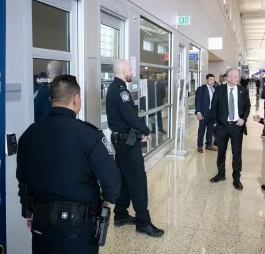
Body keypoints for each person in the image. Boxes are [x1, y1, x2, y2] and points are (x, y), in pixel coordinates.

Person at [16, 74, 121, 254]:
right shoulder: (90, 136)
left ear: (51, 100)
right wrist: (106, 202)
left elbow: (23, 179)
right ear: (76, 99)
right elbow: (112, 182)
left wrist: (30, 210)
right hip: (78, 229)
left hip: (42, 225)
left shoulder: (30, 133)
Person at [106, 59, 164, 237]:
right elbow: (130, 115)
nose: (132, 71)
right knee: (138, 180)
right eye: (130, 68)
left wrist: (138, 132)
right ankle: (143, 222)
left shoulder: (114, 87)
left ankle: (121, 214)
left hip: (123, 140)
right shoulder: (121, 90)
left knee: (124, 177)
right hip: (126, 143)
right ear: (123, 70)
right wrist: (146, 130)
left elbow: (126, 117)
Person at [210, 68, 251, 190]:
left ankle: (236, 178)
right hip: (222, 126)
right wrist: (217, 123)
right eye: (235, 76)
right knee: (221, 152)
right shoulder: (219, 90)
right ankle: (221, 174)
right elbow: (214, 107)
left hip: (237, 127)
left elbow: (248, 106)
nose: (238, 78)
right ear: (228, 78)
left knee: (237, 153)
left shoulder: (243, 91)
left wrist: (243, 118)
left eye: (238, 76)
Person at [195, 74, 217, 153]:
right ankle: (200, 146)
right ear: (207, 80)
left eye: (213, 80)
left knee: (210, 130)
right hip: (204, 112)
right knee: (201, 129)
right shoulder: (201, 89)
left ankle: (208, 144)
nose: (212, 81)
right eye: (210, 79)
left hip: (212, 113)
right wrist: (198, 112)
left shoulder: (215, 89)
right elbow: (198, 101)